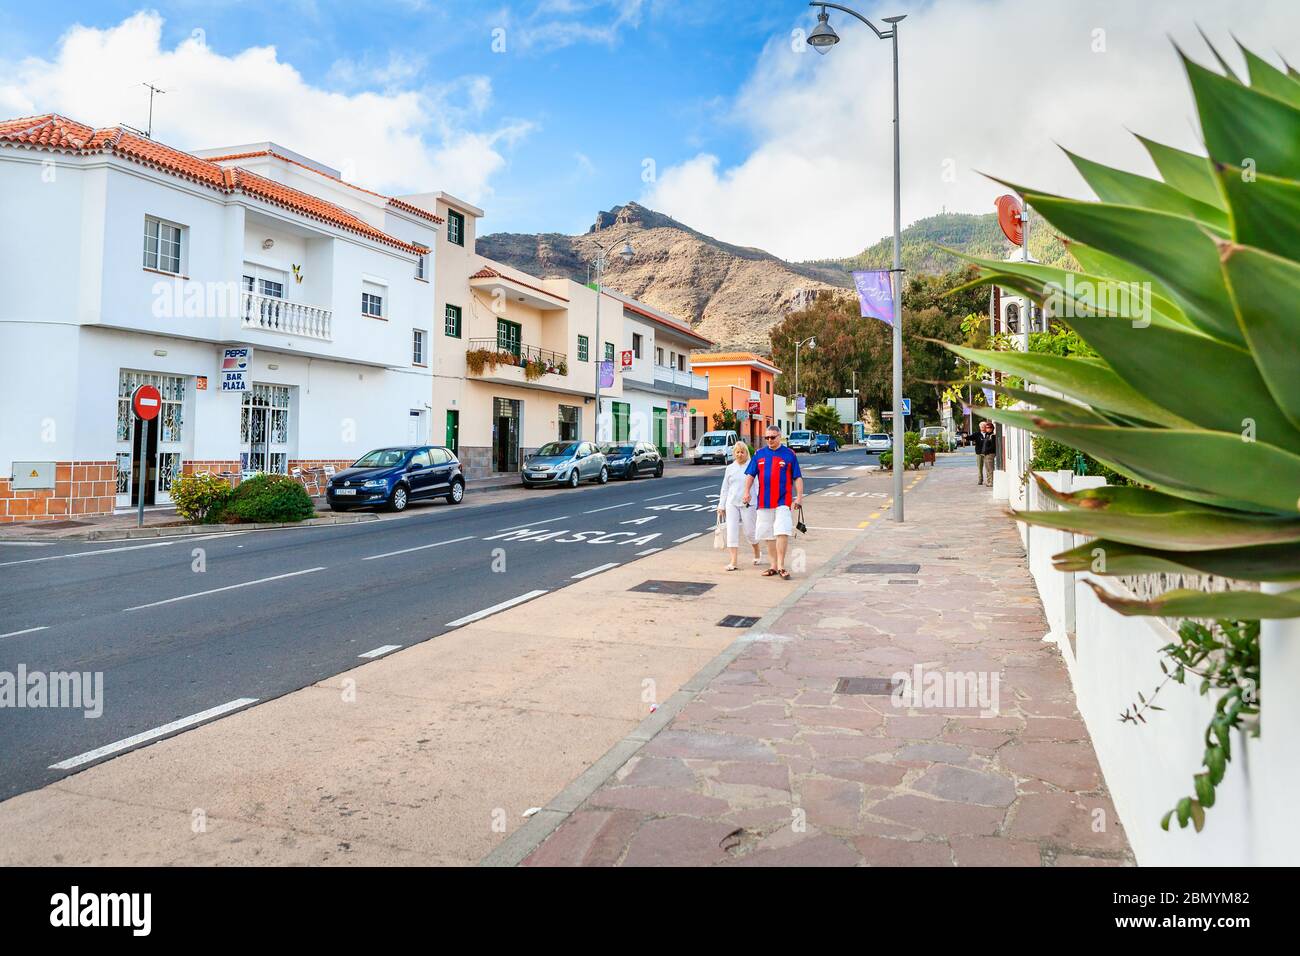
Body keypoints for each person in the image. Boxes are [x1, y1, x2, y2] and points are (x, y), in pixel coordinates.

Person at [742, 426, 804, 581]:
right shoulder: (759, 454)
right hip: (764, 501)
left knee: (782, 531)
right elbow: (750, 475)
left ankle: (782, 566)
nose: (769, 440)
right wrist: (746, 492)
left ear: (780, 436)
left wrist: (799, 497)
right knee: (768, 534)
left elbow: (797, 477)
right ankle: (773, 566)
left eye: (773, 437)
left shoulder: (789, 454)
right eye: (767, 438)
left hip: (783, 500)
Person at [716, 442, 761, 571]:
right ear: (734, 453)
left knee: (750, 532)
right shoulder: (730, 468)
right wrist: (721, 505)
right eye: (737, 452)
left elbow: (757, 486)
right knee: (731, 531)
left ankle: (757, 552)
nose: (740, 454)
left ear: (747, 453)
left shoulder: (752, 467)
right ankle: (733, 561)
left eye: (742, 452)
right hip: (732, 503)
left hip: (749, 504)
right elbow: (725, 488)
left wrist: (757, 502)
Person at [973, 420, 997, 485]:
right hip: (986, 454)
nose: (987, 429)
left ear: (992, 428)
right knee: (987, 469)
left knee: (990, 468)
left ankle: (991, 482)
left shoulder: (993, 436)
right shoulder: (987, 435)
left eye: (989, 427)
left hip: (990, 454)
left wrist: (986, 450)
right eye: (986, 427)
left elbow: (993, 446)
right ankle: (989, 481)